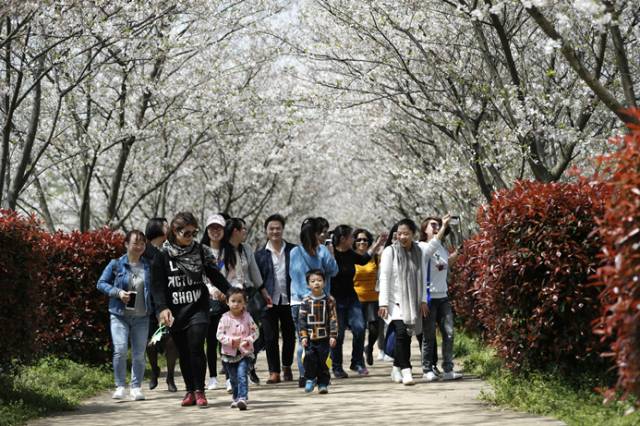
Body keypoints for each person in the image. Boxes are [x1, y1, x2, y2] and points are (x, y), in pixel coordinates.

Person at [150, 212, 231, 408]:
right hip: (176, 311)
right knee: (184, 351)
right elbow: (157, 286)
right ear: (175, 232)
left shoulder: (201, 251)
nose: (191, 237)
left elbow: (214, 275)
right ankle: (189, 390)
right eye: (186, 233)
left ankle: (200, 391)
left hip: (198, 307)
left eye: (194, 232)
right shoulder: (162, 255)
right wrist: (162, 309)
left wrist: (230, 292)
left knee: (196, 345)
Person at [97, 230, 152, 401]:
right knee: (120, 350)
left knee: (139, 354)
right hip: (119, 315)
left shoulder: (149, 266)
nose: (139, 246)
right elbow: (101, 283)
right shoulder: (116, 264)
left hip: (142, 316)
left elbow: (155, 290)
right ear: (126, 244)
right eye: (135, 242)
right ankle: (120, 385)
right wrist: (118, 292)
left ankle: (136, 387)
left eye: (142, 243)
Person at [222, 217, 272, 386]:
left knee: (251, 332)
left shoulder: (247, 249)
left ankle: (249, 365)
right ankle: (230, 374)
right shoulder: (222, 250)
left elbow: (254, 272)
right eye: (243, 229)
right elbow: (219, 274)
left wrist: (264, 291)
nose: (245, 232)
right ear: (235, 231)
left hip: (248, 294)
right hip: (229, 297)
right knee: (230, 335)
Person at [329, 224, 384, 378]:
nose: (353, 240)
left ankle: (357, 362)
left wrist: (377, 244)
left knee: (359, 328)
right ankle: (337, 366)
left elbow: (364, 259)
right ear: (342, 239)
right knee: (338, 335)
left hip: (352, 298)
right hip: (335, 299)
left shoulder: (351, 254)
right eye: (351, 237)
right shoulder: (330, 254)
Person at [289, 217, 338, 387]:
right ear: (317, 234)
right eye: (322, 232)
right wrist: (330, 253)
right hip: (319, 302)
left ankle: (305, 376)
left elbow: (293, 277)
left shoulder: (294, 252)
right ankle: (321, 375)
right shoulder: (322, 250)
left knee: (303, 339)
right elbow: (334, 270)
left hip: (298, 301)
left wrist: (305, 295)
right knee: (322, 340)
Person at [378, 218, 428, 385]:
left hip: (412, 301)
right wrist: (383, 303)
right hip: (394, 301)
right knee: (401, 333)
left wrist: (422, 300)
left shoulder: (419, 252)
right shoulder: (390, 252)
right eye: (399, 234)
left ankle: (395, 368)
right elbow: (384, 278)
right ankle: (407, 370)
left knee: (407, 336)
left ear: (413, 234)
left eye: (406, 234)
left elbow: (422, 276)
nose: (402, 237)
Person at [419, 214, 462, 382]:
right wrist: (444, 227)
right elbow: (431, 250)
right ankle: (427, 369)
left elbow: (444, 266)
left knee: (449, 333)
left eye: (438, 224)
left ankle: (448, 370)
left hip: (443, 296)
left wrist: (457, 254)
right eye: (432, 225)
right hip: (429, 298)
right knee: (429, 336)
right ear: (424, 229)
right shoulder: (422, 246)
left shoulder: (442, 248)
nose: (436, 226)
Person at [254, 214, 297, 384]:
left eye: (278, 228)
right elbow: (257, 278)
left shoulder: (293, 251)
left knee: (289, 335)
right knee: (270, 337)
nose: (275, 231)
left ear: (283, 229)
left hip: (289, 299)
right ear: (266, 231)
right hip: (268, 301)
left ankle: (286, 366)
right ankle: (274, 371)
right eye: (271, 228)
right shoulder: (260, 255)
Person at [143, 217, 179, 393]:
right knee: (150, 344)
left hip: (168, 304)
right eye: (166, 225)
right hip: (148, 306)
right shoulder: (144, 252)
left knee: (172, 342)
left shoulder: (170, 249)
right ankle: (154, 370)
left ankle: (171, 377)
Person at [216, 287, 259, 410]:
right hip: (229, 354)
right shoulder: (224, 318)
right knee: (233, 378)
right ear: (227, 302)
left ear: (244, 303)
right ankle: (236, 398)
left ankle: (243, 398)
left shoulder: (247, 317)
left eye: (240, 301)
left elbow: (256, 332)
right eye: (233, 301)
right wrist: (230, 341)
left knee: (241, 375)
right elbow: (219, 335)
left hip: (244, 353)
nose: (236, 304)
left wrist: (249, 340)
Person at [200, 213, 229, 391]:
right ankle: (212, 377)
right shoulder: (200, 250)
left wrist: (231, 292)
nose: (215, 231)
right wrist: (211, 289)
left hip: (229, 300)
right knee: (211, 340)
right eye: (212, 228)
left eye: (219, 228)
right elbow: (200, 275)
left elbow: (237, 274)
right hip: (208, 299)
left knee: (227, 340)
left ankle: (228, 375)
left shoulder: (231, 250)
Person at [299, 269, 337, 394]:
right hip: (310, 338)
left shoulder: (329, 300)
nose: (316, 283)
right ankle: (310, 378)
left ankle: (323, 383)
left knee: (324, 361)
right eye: (313, 281)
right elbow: (302, 320)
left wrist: (333, 335)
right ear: (308, 284)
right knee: (309, 358)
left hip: (324, 338)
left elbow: (333, 318)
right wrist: (303, 336)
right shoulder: (305, 301)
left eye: (319, 280)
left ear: (324, 283)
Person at [352, 228, 385, 366]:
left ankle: (369, 347)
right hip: (356, 299)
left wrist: (381, 244)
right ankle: (358, 359)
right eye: (359, 239)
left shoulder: (375, 257)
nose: (362, 242)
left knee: (374, 328)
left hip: (373, 298)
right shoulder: (351, 257)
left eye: (365, 240)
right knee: (358, 330)